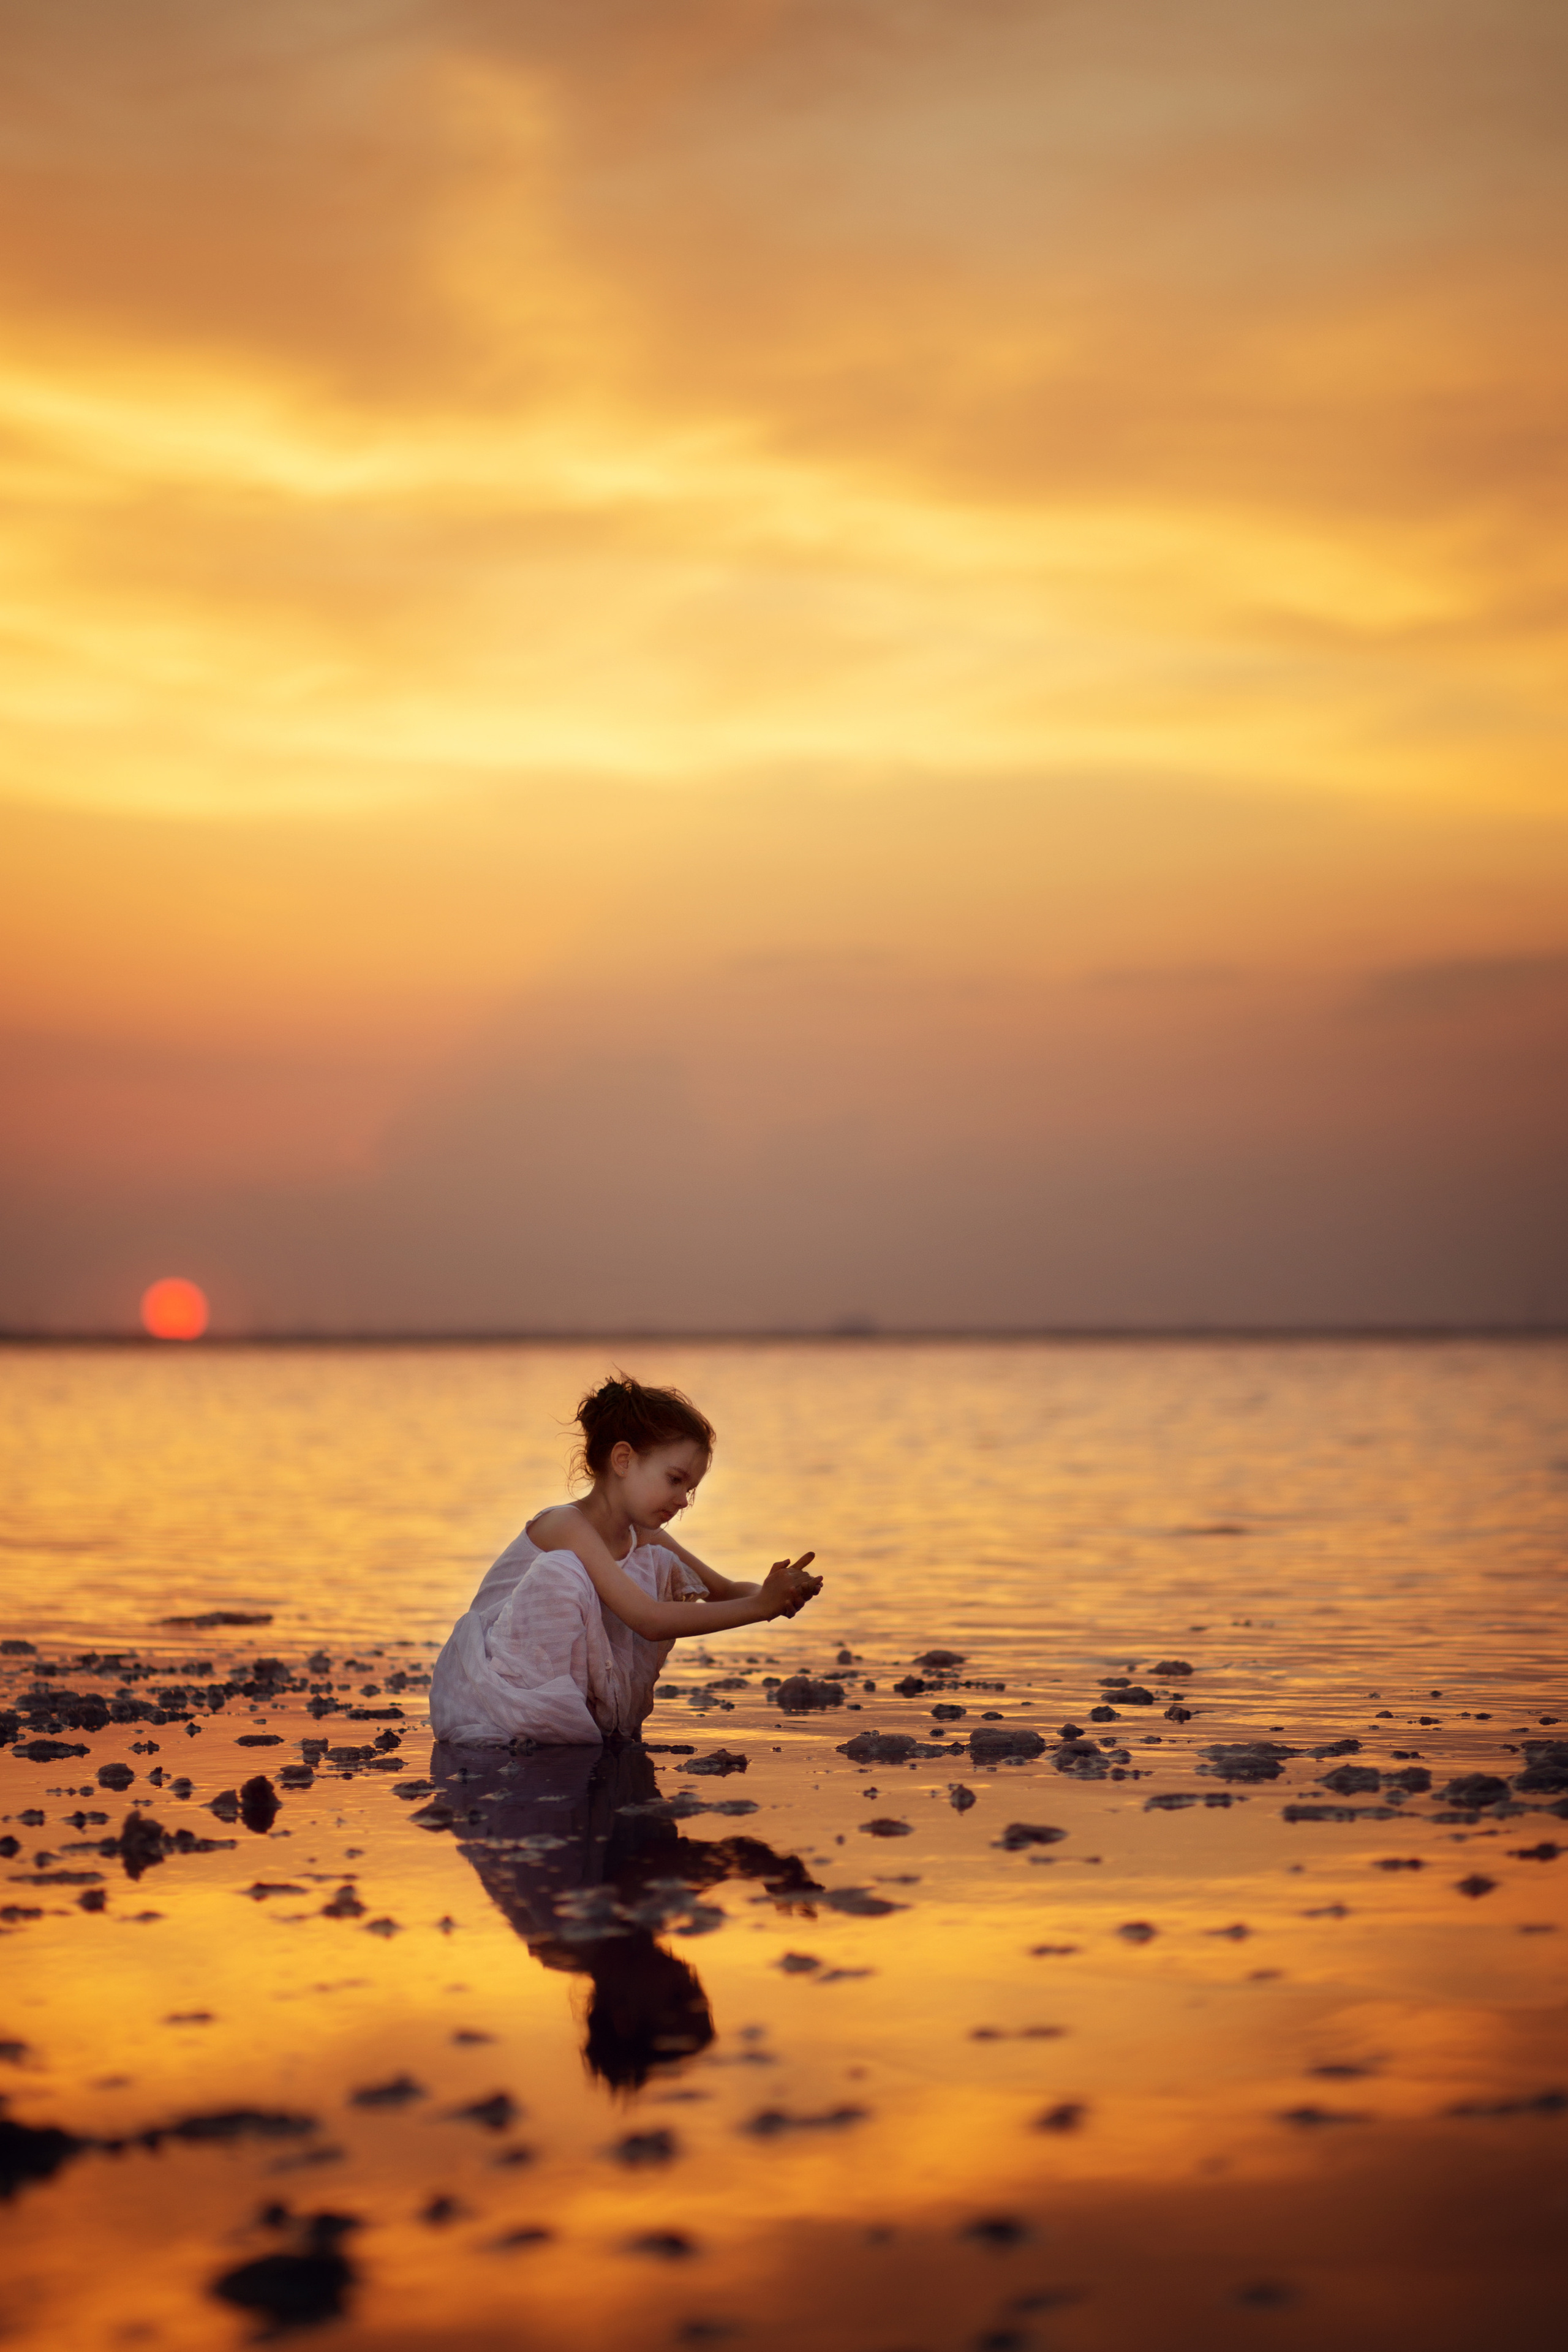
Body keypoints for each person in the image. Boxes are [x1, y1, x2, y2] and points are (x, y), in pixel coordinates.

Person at [429, 1373, 821, 1747]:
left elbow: (724, 1592)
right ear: (623, 1460)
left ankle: (593, 1724)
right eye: (675, 1479)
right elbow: (648, 1620)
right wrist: (759, 1607)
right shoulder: (563, 1525)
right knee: (564, 1570)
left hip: (559, 1696)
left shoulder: (644, 1536)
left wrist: (778, 1592)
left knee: (656, 1561)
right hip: (494, 1696)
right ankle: (555, 1728)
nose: (684, 1500)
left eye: (691, 1488)